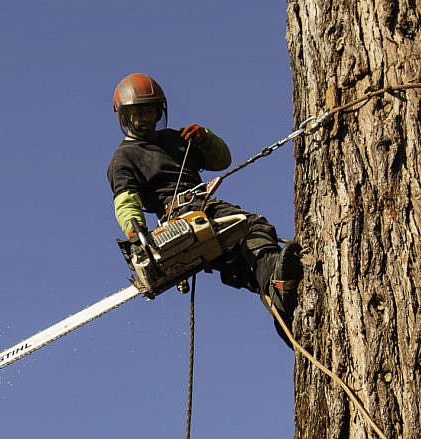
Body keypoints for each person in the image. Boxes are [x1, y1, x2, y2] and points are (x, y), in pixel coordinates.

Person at [106, 72, 302, 341]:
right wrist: (135, 231)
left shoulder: (176, 139)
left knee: (244, 263)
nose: (145, 119)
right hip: (184, 215)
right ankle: (279, 287)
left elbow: (222, 159)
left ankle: (289, 320)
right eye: (138, 114)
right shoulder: (124, 157)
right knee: (254, 226)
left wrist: (205, 138)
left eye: (150, 112)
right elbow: (126, 200)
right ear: (125, 117)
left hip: (203, 206)